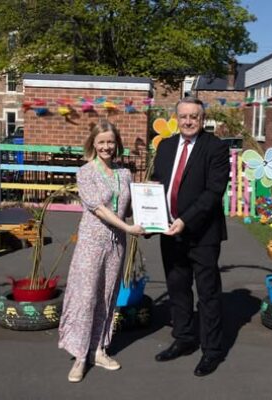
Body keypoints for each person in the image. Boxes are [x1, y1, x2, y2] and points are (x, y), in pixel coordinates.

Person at [58, 120, 145, 383]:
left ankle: (98, 349)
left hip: (116, 243)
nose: (106, 146)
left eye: (110, 142)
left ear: (117, 144)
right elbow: (98, 208)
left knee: (108, 295)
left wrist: (149, 204)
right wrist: (128, 228)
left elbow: (128, 208)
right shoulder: (85, 172)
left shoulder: (124, 173)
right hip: (92, 242)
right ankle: (80, 356)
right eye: (102, 142)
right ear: (93, 144)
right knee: (86, 296)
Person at [151, 96, 230, 377]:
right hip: (169, 231)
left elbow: (213, 192)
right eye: (183, 116)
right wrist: (149, 214)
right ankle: (183, 338)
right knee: (178, 288)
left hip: (202, 233)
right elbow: (158, 183)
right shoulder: (166, 146)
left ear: (202, 119)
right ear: (177, 118)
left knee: (207, 293)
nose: (188, 121)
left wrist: (185, 220)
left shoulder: (216, 147)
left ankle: (212, 351)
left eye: (193, 117)